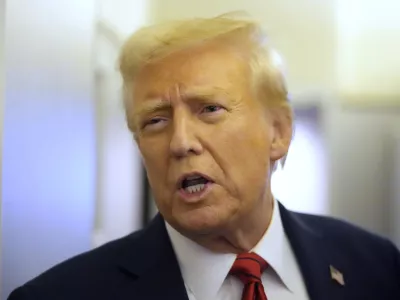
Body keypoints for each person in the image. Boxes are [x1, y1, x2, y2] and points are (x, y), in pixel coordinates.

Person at [8, 14, 400, 300]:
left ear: (278, 132)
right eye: (156, 121)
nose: (180, 142)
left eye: (209, 109)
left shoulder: (376, 266)